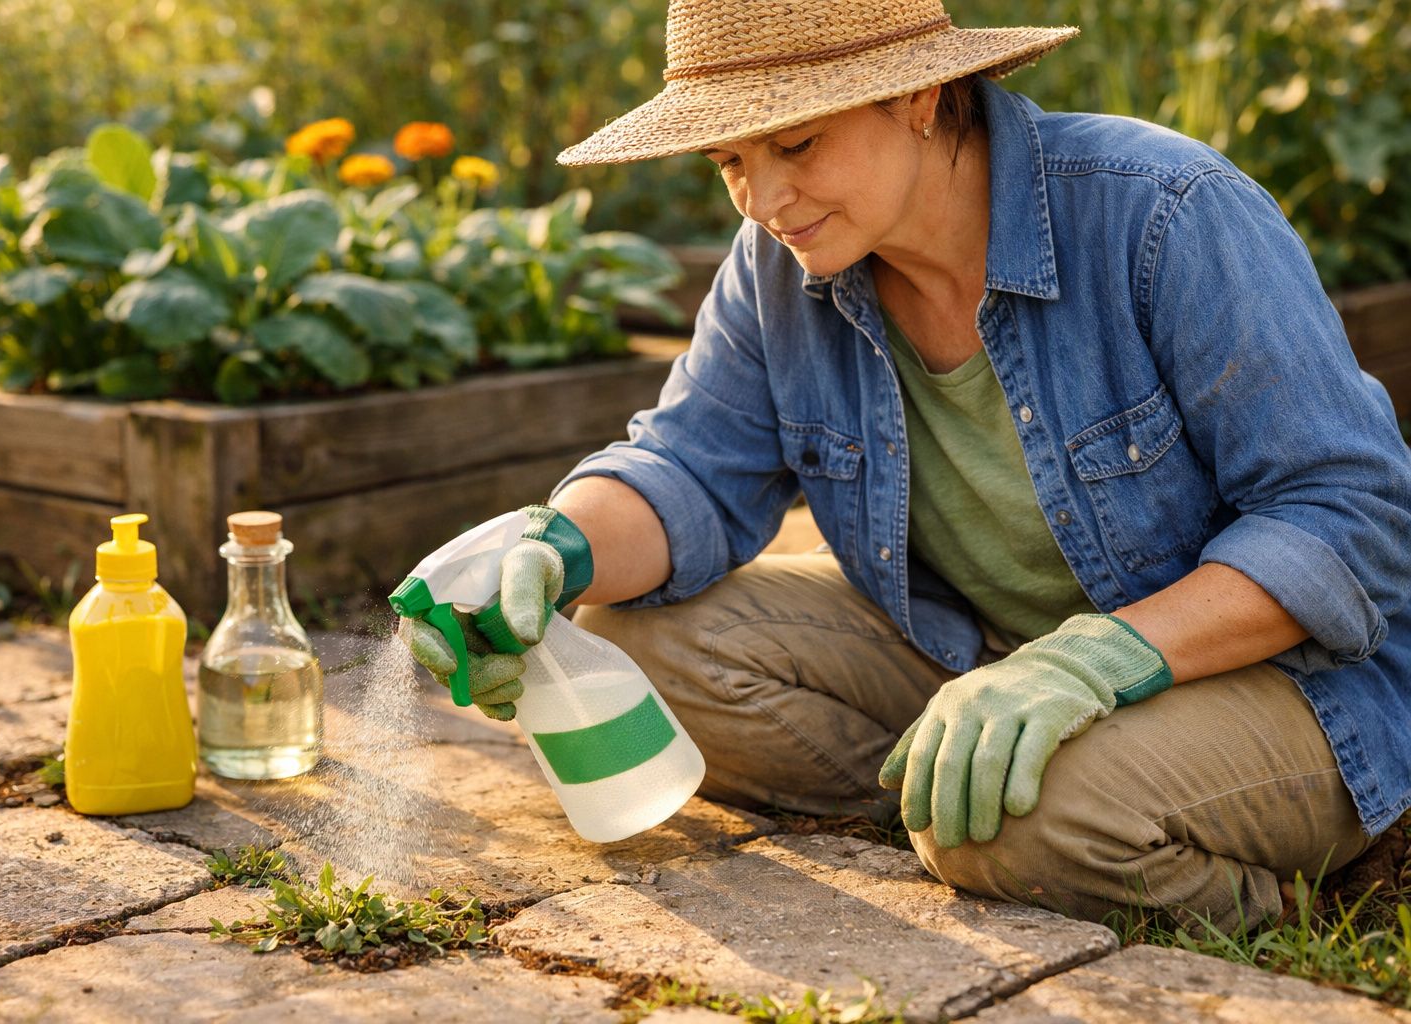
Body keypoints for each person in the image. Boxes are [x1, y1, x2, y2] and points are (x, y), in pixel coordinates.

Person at [399, 0, 1411, 932]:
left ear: (920, 95)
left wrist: (1093, 660)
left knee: (1015, 820)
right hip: (986, 654)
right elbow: (688, 466)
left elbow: (1346, 517)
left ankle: (1287, 896)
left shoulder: (1163, 213)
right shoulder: (782, 269)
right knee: (637, 636)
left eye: (797, 142)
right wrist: (557, 543)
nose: (765, 199)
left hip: (1279, 680)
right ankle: (974, 802)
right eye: (729, 160)